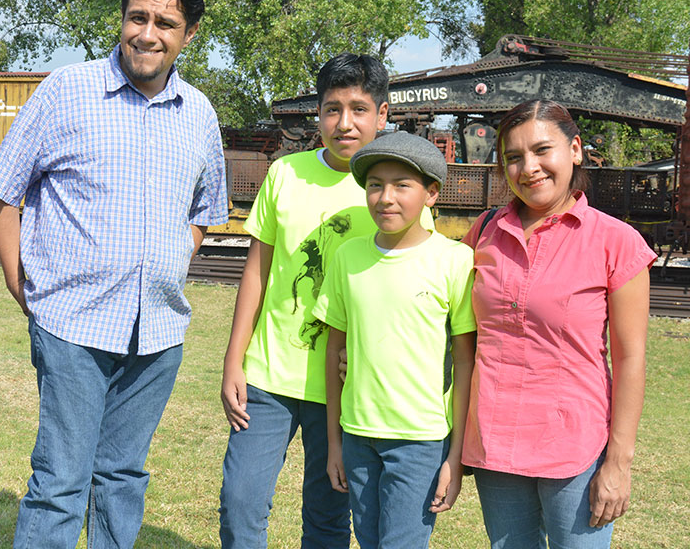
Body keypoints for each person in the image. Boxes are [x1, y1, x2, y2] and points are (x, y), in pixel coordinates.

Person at [0, 0, 227, 549]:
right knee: (61, 480)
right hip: (72, 325)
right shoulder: (67, 90)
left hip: (158, 332)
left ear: (188, 35)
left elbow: (204, 213)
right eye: (137, 17)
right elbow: (2, 190)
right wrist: (23, 285)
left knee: (123, 477)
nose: (148, 33)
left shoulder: (199, 113)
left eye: (165, 23)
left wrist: (164, 263)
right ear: (121, 19)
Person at [219, 53, 434, 547]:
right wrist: (235, 359)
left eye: (359, 109)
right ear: (317, 115)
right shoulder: (285, 175)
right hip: (269, 377)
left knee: (328, 517)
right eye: (332, 109)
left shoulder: (396, 190)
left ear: (383, 116)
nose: (345, 123)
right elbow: (256, 270)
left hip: (345, 386)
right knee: (240, 505)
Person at [462, 99, 655, 548]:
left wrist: (619, 462)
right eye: (513, 157)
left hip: (575, 448)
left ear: (576, 150)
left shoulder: (615, 242)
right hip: (495, 441)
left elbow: (631, 359)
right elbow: (447, 325)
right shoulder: (484, 233)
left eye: (542, 150)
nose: (528, 167)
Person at [314, 131, 476, 549]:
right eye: (374, 185)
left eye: (402, 185)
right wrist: (335, 443)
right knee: (368, 542)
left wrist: (454, 457)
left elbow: (464, 364)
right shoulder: (347, 256)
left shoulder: (455, 261)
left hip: (420, 440)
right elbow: (334, 351)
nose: (386, 197)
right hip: (357, 435)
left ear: (431, 193)